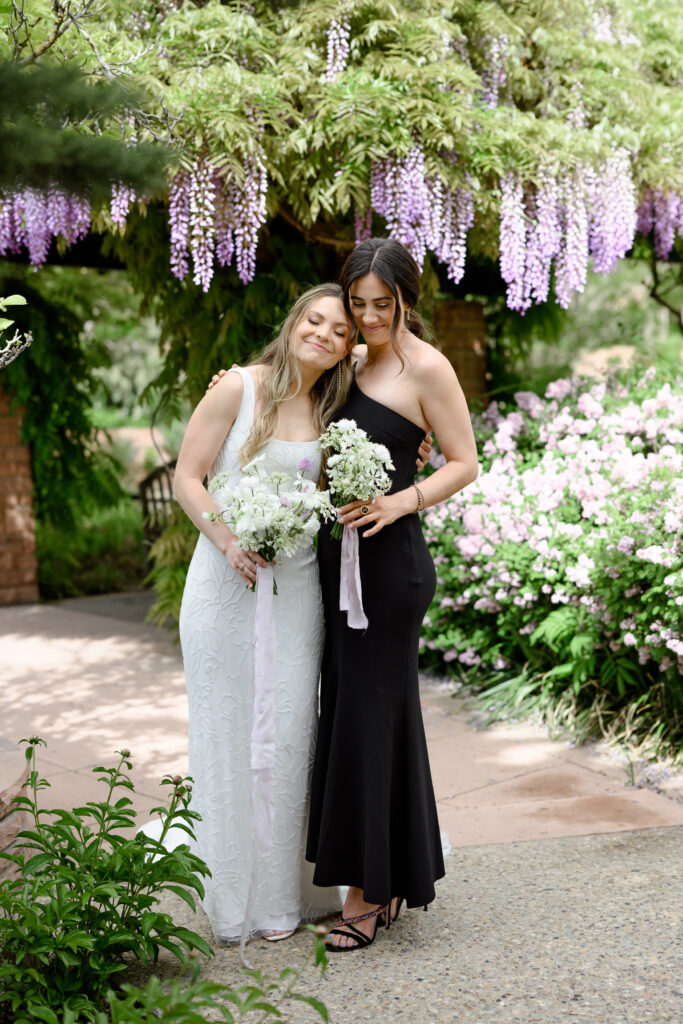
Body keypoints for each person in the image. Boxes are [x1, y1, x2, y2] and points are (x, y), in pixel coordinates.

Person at [305, 237, 479, 951]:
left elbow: (464, 462)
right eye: (358, 305)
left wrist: (402, 502)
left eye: (383, 304)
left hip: (390, 568)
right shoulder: (348, 360)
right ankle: (389, 871)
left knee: (370, 722)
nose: (371, 317)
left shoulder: (426, 366)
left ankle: (367, 893)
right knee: (352, 713)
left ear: (407, 297)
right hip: (334, 563)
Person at [173, 283, 355, 949]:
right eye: (315, 320)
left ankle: (282, 898)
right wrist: (227, 541)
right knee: (225, 735)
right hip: (223, 586)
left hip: (296, 590)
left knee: (287, 735)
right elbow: (188, 476)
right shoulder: (237, 389)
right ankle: (229, 902)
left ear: (346, 348)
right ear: (293, 321)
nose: (324, 336)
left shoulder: (336, 407)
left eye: (339, 332)